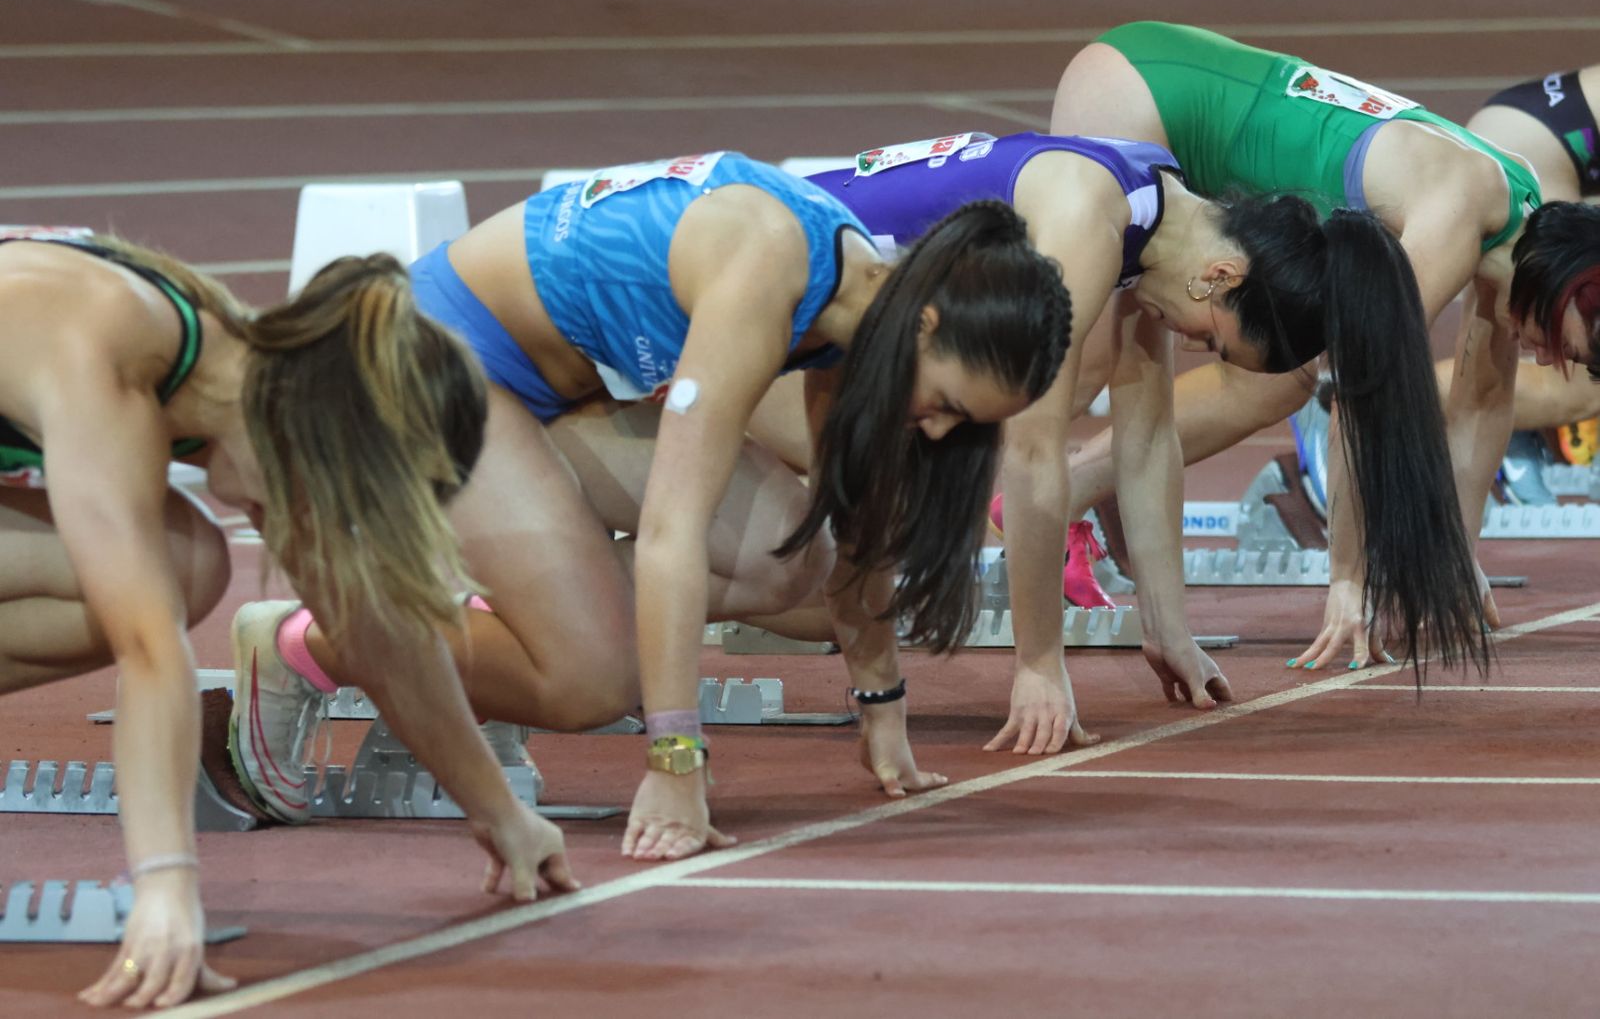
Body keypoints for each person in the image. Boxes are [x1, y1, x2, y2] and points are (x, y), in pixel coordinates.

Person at [225, 150, 1074, 866]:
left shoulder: (864, 301)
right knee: (593, 679)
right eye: (946, 404)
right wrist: (675, 754)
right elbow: (671, 527)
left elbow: (853, 522)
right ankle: (311, 643)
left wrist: (881, 704)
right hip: (427, 363)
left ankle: (522, 613)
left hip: (546, 391)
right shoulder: (771, 264)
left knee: (793, 552)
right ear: (924, 324)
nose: (935, 432)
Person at [0, 234, 568, 1009]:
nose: (318, 524)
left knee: (186, 558)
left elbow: (369, 623)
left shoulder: (233, 370)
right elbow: (148, 650)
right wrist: (166, 886)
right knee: (163, 576)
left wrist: (500, 811)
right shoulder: (109, 346)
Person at [808, 124, 1481, 755]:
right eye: (1212, 337)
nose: (1192, 343)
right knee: (817, 580)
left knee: (843, 579)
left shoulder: (1153, 203)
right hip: (803, 314)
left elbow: (1150, 433)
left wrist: (1168, 627)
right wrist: (1039, 664)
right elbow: (1035, 450)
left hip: (850, 346)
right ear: (1221, 277)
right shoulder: (1091, 220)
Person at [1048, 21, 1514, 673]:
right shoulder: (1461, 214)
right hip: (1144, 95)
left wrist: (1454, 559)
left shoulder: (1506, 197)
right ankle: (926, 481)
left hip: (1177, 87)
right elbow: (1363, 393)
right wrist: (1348, 583)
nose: (1559, 361)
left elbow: (1481, 396)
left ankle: (1046, 500)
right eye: (1578, 352)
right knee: (1095, 363)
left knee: (1274, 375)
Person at [1438, 66, 1600, 497]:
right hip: (1543, 145)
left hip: (1548, 129)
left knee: (1499, 365)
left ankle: (1521, 429)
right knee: (1576, 387)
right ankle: (1351, 397)